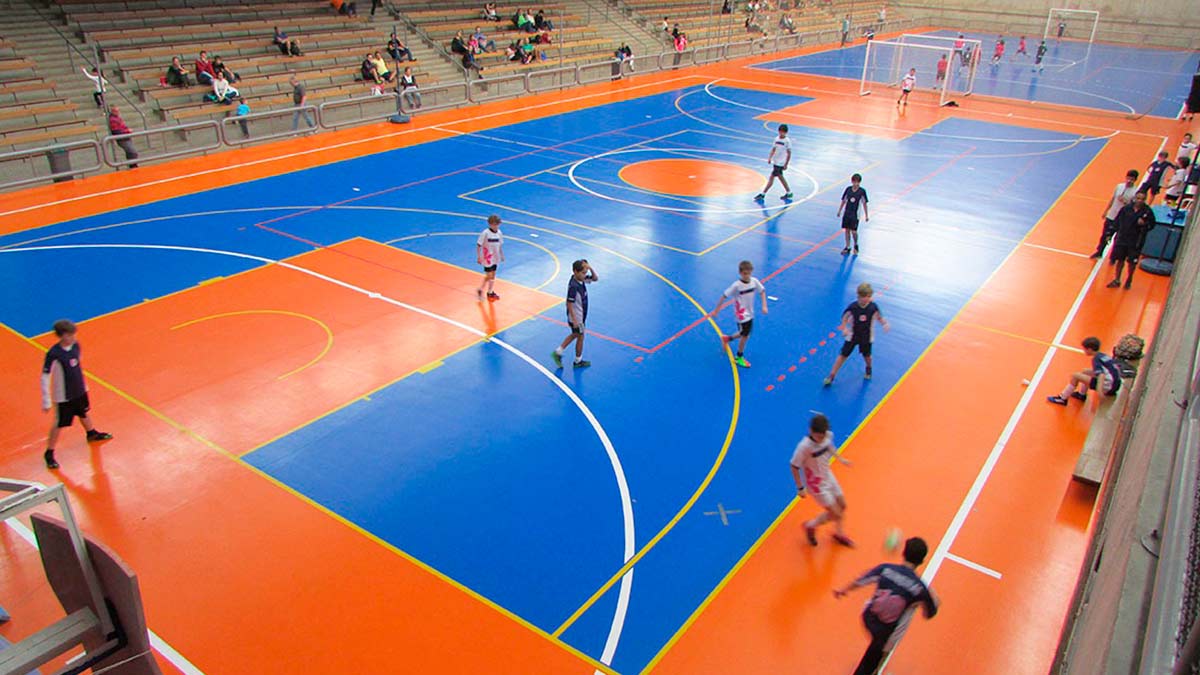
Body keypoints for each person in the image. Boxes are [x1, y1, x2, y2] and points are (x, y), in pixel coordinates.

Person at [834, 537, 939, 675]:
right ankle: (874, 669)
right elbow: (930, 612)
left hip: (869, 617)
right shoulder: (919, 588)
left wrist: (843, 590)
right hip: (887, 634)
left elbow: (861, 580)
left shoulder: (885, 569)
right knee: (877, 653)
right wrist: (931, 593)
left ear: (903, 553)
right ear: (921, 561)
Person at [41, 319, 113, 470]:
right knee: (59, 423)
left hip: (79, 390)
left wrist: (84, 386)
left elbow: (78, 367)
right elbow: (45, 376)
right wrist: (46, 399)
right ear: (63, 336)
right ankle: (49, 452)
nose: (74, 337)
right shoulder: (54, 354)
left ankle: (91, 433)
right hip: (64, 396)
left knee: (83, 412)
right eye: (70, 335)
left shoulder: (76, 346)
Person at [790, 413, 853, 547]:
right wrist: (800, 487)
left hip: (828, 476)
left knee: (842, 505)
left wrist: (840, 458)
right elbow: (794, 466)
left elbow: (829, 447)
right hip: (817, 485)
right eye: (819, 436)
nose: (821, 439)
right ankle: (810, 526)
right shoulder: (804, 447)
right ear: (811, 431)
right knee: (835, 513)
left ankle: (839, 533)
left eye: (823, 436)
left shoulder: (827, 436)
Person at [825, 282, 889, 385]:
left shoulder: (873, 307)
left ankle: (868, 368)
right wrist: (845, 328)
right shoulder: (853, 307)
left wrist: (884, 324)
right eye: (864, 297)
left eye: (868, 296)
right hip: (852, 335)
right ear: (859, 296)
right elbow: (845, 317)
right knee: (843, 355)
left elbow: (879, 317)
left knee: (867, 355)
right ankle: (831, 376)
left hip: (866, 336)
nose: (866, 299)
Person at [710, 260, 768, 368]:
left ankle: (727, 338)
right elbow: (724, 296)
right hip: (741, 315)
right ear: (740, 273)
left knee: (744, 333)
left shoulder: (754, 281)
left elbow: (762, 291)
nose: (747, 276)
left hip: (750, 313)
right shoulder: (736, 286)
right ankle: (739, 357)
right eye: (745, 274)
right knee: (745, 335)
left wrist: (764, 306)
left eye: (749, 273)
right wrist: (716, 310)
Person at [552, 259, 599, 369]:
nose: (585, 275)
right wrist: (575, 321)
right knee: (580, 336)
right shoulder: (574, 286)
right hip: (577, 317)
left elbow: (595, 278)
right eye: (583, 272)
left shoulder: (581, 279)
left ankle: (560, 352)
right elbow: (568, 303)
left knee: (577, 335)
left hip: (581, 315)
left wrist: (590, 268)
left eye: (585, 272)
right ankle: (576, 360)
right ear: (575, 272)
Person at [1047, 336, 1122, 405]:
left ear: (1089, 349)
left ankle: (1062, 398)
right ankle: (1081, 394)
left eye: (1085, 349)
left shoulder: (1096, 360)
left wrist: (1099, 391)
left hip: (1109, 387)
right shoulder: (1102, 355)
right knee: (1085, 371)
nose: (1084, 351)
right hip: (1115, 384)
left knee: (1075, 376)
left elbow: (1101, 375)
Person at [1104, 190, 1154, 289]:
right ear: (1135, 198)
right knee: (1120, 260)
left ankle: (1129, 279)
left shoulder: (1147, 212)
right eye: (1138, 198)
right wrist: (1110, 233)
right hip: (1122, 238)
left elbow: (1152, 225)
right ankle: (1117, 279)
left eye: (1142, 199)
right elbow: (1117, 221)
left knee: (1131, 262)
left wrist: (1144, 224)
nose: (1140, 201)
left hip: (1136, 241)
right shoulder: (1126, 209)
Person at [1090, 169, 1139, 258]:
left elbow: (1134, 206)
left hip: (1123, 219)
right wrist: (1106, 211)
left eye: (1131, 179)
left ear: (1135, 180)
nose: (1129, 181)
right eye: (1128, 178)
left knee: (1118, 238)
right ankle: (1099, 251)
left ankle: (1114, 255)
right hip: (1112, 215)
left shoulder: (1135, 192)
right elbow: (1112, 199)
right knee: (1105, 234)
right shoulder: (1119, 186)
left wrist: (1125, 202)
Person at [754, 124, 793, 201]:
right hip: (776, 161)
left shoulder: (787, 141)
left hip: (780, 163)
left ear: (786, 132)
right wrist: (770, 157)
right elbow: (773, 149)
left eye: (783, 132)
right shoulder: (776, 139)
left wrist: (786, 164)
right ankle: (789, 192)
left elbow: (789, 153)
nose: (781, 133)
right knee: (779, 177)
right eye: (780, 132)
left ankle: (763, 194)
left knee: (773, 177)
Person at [838, 173, 869, 254]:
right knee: (847, 230)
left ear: (859, 182)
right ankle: (848, 246)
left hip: (855, 215)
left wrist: (866, 215)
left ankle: (856, 244)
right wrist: (840, 210)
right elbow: (844, 200)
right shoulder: (848, 189)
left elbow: (864, 203)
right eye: (854, 182)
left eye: (857, 182)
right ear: (852, 181)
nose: (856, 184)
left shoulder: (862, 191)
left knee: (854, 231)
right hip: (847, 213)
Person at [476, 215, 504, 301]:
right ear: (490, 224)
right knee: (489, 275)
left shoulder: (499, 233)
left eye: (497, 224)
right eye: (495, 224)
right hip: (487, 257)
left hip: (495, 257)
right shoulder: (485, 233)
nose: (496, 226)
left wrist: (501, 254)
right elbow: (479, 245)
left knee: (493, 275)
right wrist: (479, 256)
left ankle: (490, 292)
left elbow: (499, 245)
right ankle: (481, 289)